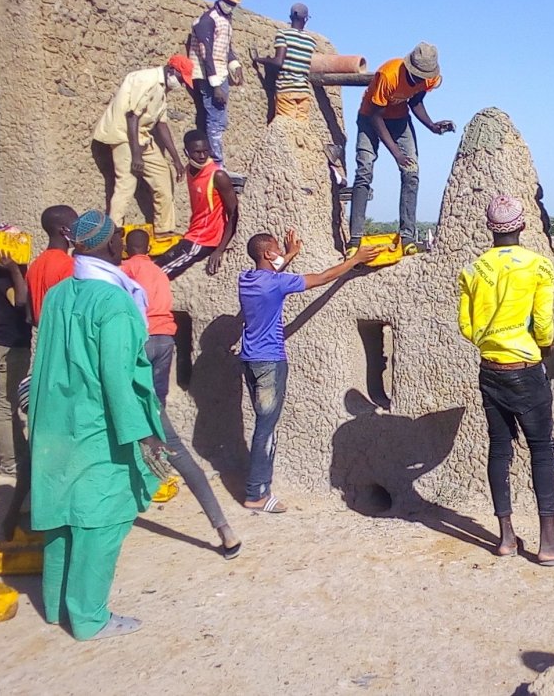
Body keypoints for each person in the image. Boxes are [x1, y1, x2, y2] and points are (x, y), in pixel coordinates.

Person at [29, 210, 170, 640]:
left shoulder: (58, 294)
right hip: (98, 426)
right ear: (112, 246)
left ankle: (55, 606)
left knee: (61, 516)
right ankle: (90, 618)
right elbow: (117, 376)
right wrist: (143, 433)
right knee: (101, 519)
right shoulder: (114, 303)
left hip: (56, 420)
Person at [457, 196, 554, 566]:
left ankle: (506, 538)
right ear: (523, 226)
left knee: (499, 449)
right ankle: (549, 543)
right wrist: (541, 347)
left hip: (490, 369)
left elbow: (466, 325)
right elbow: (543, 323)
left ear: (490, 228)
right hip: (525, 370)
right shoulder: (538, 267)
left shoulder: (473, 270)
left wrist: (490, 343)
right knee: (541, 451)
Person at [239, 230, 379, 513]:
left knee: (262, 424)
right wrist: (356, 259)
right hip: (270, 363)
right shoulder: (275, 284)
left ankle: (258, 488)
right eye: (276, 249)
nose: (280, 253)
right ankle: (257, 493)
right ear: (267, 254)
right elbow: (323, 277)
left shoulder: (247, 279)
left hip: (250, 361)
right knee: (265, 430)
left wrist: (289, 255)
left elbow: (273, 271)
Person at [122, 229, 242, 559]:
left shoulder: (126, 272)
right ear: (149, 248)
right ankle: (224, 529)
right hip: (166, 340)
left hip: (142, 341)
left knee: (137, 418)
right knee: (157, 408)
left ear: (125, 249)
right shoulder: (159, 271)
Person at [346, 42, 455, 257]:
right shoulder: (388, 75)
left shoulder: (429, 79)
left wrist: (432, 126)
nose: (422, 80)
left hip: (400, 119)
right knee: (364, 171)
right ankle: (355, 239)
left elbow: (415, 101)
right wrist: (396, 153)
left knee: (411, 173)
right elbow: (376, 116)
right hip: (371, 119)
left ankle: (407, 236)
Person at [93, 55, 192, 234]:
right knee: (127, 183)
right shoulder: (145, 80)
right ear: (172, 70)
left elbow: (162, 125)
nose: (181, 85)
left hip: (143, 136)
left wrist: (176, 159)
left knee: (163, 176)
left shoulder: (162, 90)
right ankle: (113, 230)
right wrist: (136, 154)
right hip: (124, 135)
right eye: (181, 79)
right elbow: (132, 116)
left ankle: (164, 229)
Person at [153, 131, 239, 280]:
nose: (202, 156)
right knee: (157, 264)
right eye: (197, 152)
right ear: (186, 152)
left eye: (206, 151)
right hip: (194, 234)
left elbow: (234, 213)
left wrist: (220, 249)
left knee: (159, 274)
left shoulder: (217, 176)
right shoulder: (190, 170)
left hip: (206, 239)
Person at [0, 246, 31, 477]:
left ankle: (17, 456)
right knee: (5, 405)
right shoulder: (1, 274)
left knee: (11, 404)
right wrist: (13, 269)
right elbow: (20, 301)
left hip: (11, 344)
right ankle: (9, 463)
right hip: (9, 346)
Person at [189, 0, 245, 169]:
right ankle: (217, 164)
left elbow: (226, 47)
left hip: (220, 72)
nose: (230, 7)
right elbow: (207, 53)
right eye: (227, 2)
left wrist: (235, 65)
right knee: (215, 119)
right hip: (209, 76)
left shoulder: (225, 21)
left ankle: (217, 161)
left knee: (219, 120)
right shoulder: (208, 20)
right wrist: (215, 86)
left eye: (233, 4)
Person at [252, 2, 317, 120]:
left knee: (286, 130)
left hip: (287, 90)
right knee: (301, 131)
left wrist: (260, 59)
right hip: (303, 92)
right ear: (306, 19)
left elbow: (278, 62)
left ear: (291, 17)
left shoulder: (283, 34)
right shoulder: (310, 41)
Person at [26, 205, 78, 325]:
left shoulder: (35, 265)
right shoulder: (68, 265)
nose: (79, 230)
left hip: (44, 337)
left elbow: (30, 316)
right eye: (76, 225)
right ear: (64, 230)